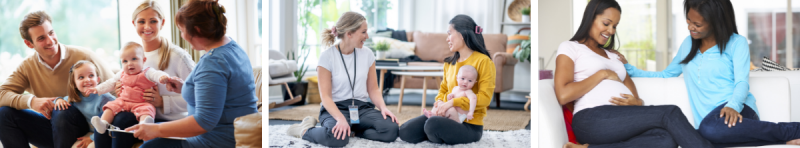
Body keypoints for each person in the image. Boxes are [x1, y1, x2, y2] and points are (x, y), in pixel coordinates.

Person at [616, 0, 800, 147]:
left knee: (708, 130)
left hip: (739, 112)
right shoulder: (688, 44)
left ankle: (792, 130)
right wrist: (628, 68)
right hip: (710, 125)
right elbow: (665, 75)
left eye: (697, 24)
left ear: (716, 22)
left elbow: (742, 82)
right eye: (688, 21)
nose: (690, 27)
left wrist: (733, 106)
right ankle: (782, 140)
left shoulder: (737, 43)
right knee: (700, 139)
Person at [555, 0, 715, 148]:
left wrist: (637, 102)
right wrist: (602, 74)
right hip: (591, 119)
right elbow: (563, 95)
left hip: (621, 118)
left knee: (665, 140)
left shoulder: (613, 55)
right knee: (670, 112)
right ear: (590, 18)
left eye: (615, 26)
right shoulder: (570, 47)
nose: (610, 31)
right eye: (606, 23)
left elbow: (635, 97)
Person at [124, 0, 259, 147]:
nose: (182, 36)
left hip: (216, 141)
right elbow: (220, 95)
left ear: (197, 30)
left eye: (182, 30)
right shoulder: (232, 47)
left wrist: (156, 129)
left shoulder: (213, 62)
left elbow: (204, 121)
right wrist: (186, 88)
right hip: (230, 133)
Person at [0, 10, 115, 148]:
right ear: (29, 44)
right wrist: (31, 101)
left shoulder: (85, 56)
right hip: (51, 128)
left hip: (85, 125)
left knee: (61, 109)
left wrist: (95, 134)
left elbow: (116, 88)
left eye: (51, 33)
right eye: (41, 38)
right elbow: (2, 94)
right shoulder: (27, 67)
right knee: (3, 114)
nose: (50, 41)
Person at [284, 11, 400, 147]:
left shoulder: (367, 54)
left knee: (391, 130)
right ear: (349, 34)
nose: (367, 36)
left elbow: (373, 89)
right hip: (335, 108)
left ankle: (353, 131)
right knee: (336, 138)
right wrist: (340, 119)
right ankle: (304, 130)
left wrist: (383, 108)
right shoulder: (327, 57)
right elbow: (325, 97)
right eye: (363, 32)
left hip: (361, 109)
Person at [92, 0, 194, 147]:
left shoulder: (177, 56)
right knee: (105, 121)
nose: (147, 27)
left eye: (153, 21)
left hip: (168, 121)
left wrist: (162, 102)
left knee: (121, 122)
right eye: (141, 21)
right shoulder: (133, 55)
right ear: (134, 24)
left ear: (162, 23)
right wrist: (120, 91)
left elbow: (199, 97)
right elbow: (123, 87)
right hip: (137, 114)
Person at [398, 14, 495, 145]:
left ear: (462, 34)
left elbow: (485, 99)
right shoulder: (450, 63)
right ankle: (437, 133)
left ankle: (436, 132)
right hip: (444, 116)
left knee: (432, 124)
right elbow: (443, 89)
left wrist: (452, 102)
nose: (447, 39)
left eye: (450, 33)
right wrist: (439, 102)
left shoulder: (484, 61)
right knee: (405, 131)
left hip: (469, 125)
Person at [86, 42, 173, 134]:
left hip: (142, 103)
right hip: (123, 101)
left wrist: (163, 77)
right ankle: (103, 124)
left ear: (143, 60)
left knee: (147, 109)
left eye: (134, 59)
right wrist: (97, 89)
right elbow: (111, 83)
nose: (129, 64)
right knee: (110, 107)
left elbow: (157, 74)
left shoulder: (147, 72)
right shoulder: (122, 73)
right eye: (125, 61)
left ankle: (145, 123)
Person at [52, 60, 116, 148]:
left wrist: (92, 138)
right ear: (74, 83)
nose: (87, 80)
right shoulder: (74, 97)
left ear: (98, 79)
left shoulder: (104, 98)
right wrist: (58, 100)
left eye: (91, 75)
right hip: (88, 131)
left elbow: (113, 122)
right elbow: (59, 103)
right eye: (81, 77)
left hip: (104, 133)